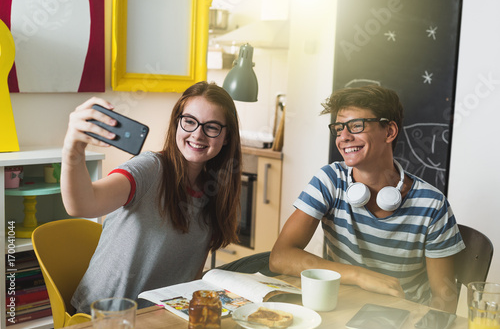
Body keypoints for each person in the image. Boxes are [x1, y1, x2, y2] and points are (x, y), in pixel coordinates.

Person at [269, 85, 464, 313]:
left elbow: (444, 300)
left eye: (356, 126)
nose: (344, 137)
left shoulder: (432, 204)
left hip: (402, 320)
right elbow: (280, 257)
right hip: (341, 311)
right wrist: (359, 275)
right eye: (339, 128)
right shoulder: (330, 180)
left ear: (389, 132)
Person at [61, 81, 242, 314]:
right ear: (177, 123)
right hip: (104, 318)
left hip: (161, 318)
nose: (197, 134)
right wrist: (73, 148)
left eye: (212, 127)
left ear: (226, 137)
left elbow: (190, 274)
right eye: (189, 121)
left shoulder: (217, 191)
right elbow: (82, 205)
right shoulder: (150, 168)